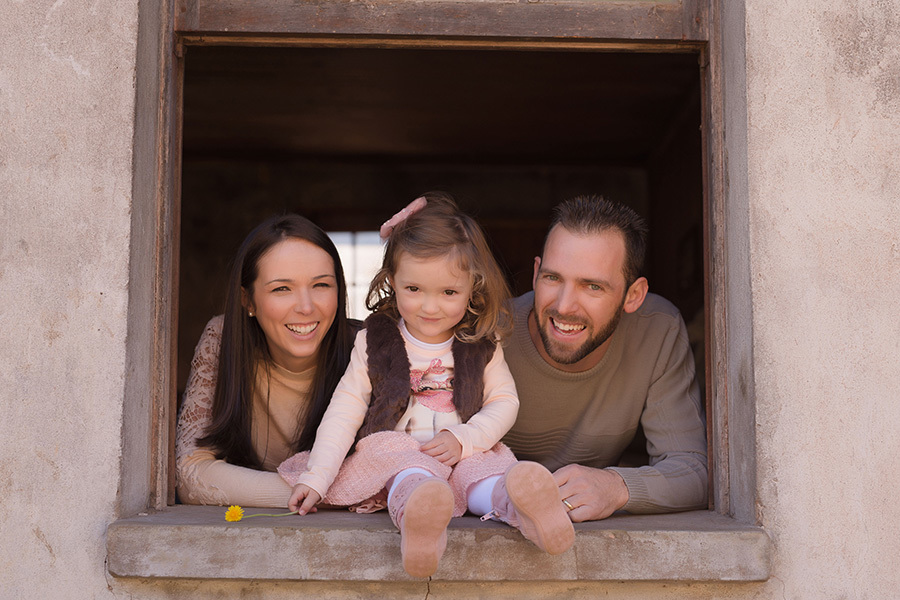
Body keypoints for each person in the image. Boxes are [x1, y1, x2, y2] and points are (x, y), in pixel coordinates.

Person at [278, 192, 574, 578]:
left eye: (449, 292)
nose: (429, 307)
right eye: (414, 290)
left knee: (484, 480)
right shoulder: (375, 340)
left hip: (464, 448)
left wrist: (466, 439)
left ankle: (524, 503)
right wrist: (316, 477)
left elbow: (504, 401)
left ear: (473, 287)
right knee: (411, 477)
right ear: (391, 281)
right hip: (400, 451)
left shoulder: (480, 342)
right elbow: (345, 408)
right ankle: (422, 521)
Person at [501, 195, 708, 522]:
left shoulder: (657, 331)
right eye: (553, 278)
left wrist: (616, 486)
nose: (564, 305)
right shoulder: (488, 334)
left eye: (592, 287)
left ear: (633, 295)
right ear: (536, 273)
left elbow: (693, 471)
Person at [175, 214, 357, 507]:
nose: (306, 307)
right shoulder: (223, 339)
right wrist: (312, 493)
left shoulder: (368, 347)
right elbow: (190, 474)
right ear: (248, 301)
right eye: (281, 289)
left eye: (321, 285)